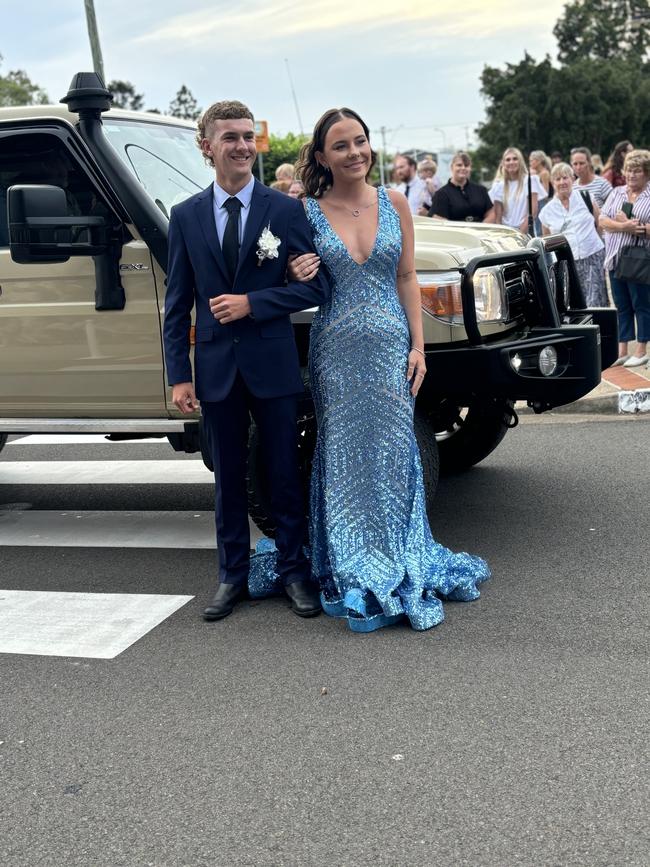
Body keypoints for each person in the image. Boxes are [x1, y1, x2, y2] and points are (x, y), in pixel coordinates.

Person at [284, 108, 490, 632]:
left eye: (361, 141)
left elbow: (406, 276)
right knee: (346, 458)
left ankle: (399, 550)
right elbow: (293, 280)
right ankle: (351, 559)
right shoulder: (307, 212)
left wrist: (419, 348)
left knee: (396, 453)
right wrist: (295, 267)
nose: (355, 153)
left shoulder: (395, 201)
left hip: (392, 349)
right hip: (335, 352)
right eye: (341, 145)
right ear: (323, 156)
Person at [163, 99, 330, 621]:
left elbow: (317, 287)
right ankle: (231, 577)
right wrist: (178, 375)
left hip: (273, 365)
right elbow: (177, 303)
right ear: (207, 146)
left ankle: (295, 573)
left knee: (283, 472)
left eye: (247, 136)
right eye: (229, 137)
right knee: (228, 479)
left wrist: (252, 304)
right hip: (215, 370)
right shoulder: (185, 216)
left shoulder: (284, 211)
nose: (241, 146)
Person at [599, 149, 650, 367]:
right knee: (621, 305)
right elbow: (603, 220)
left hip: (639, 260)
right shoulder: (617, 192)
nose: (631, 175)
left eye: (637, 171)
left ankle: (641, 348)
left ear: (646, 173)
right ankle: (622, 349)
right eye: (629, 170)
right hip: (614, 258)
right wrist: (622, 225)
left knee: (641, 304)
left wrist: (635, 226)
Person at [541, 162, 607, 307]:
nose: (562, 182)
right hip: (566, 262)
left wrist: (592, 241)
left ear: (572, 178)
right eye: (557, 179)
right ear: (552, 182)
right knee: (574, 303)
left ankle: (600, 329)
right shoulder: (546, 211)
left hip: (592, 256)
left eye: (565, 178)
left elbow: (600, 223)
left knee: (595, 301)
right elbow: (547, 241)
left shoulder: (586, 197)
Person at [490, 147, 546, 234]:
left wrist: (519, 234)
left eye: (515, 159)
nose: (511, 162)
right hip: (506, 234)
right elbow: (498, 217)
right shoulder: (499, 186)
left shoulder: (530, 180)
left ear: (520, 161)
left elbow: (533, 211)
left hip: (525, 233)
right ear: (503, 163)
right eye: (508, 160)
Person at [428, 151, 495, 223]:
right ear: (451, 167)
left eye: (466, 165)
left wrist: (481, 229)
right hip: (455, 233)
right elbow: (438, 219)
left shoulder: (481, 190)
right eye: (459, 165)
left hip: (480, 233)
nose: (463, 168)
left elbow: (491, 213)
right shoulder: (441, 194)